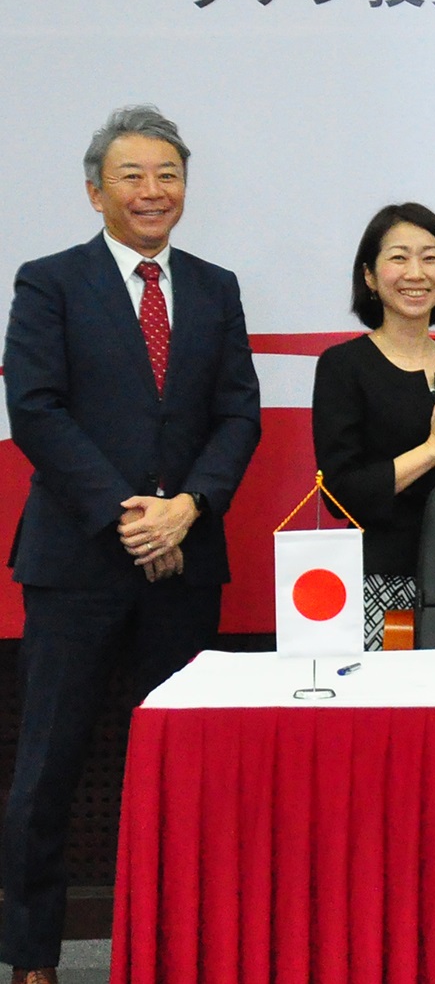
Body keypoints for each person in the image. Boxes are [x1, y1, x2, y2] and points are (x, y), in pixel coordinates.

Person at [0, 106, 260, 981]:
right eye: (132, 176)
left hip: (185, 562)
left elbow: (238, 415)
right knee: (48, 766)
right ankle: (33, 956)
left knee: (185, 773)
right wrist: (130, 512)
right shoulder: (49, 281)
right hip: (76, 561)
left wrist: (187, 508)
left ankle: (176, 944)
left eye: (168, 175)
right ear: (94, 190)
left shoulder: (216, 286)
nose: (153, 192)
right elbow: (36, 409)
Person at [312, 203, 435, 650]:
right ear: (370, 277)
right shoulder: (343, 366)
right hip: (378, 581)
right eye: (399, 257)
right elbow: (341, 495)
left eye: (430, 258)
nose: (416, 272)